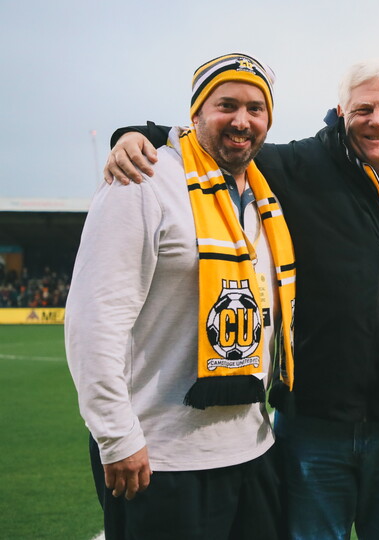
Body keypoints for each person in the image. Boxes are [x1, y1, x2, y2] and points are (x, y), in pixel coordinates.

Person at [105, 59, 379, 540]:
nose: (377, 121)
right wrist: (136, 135)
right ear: (341, 113)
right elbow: (223, 139)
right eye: (363, 109)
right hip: (312, 425)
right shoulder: (299, 165)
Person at [66, 53, 294, 540]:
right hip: (159, 458)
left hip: (254, 449)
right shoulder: (143, 180)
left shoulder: (265, 197)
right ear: (195, 113)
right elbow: (94, 319)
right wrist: (116, 437)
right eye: (226, 105)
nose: (242, 120)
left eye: (255, 108)